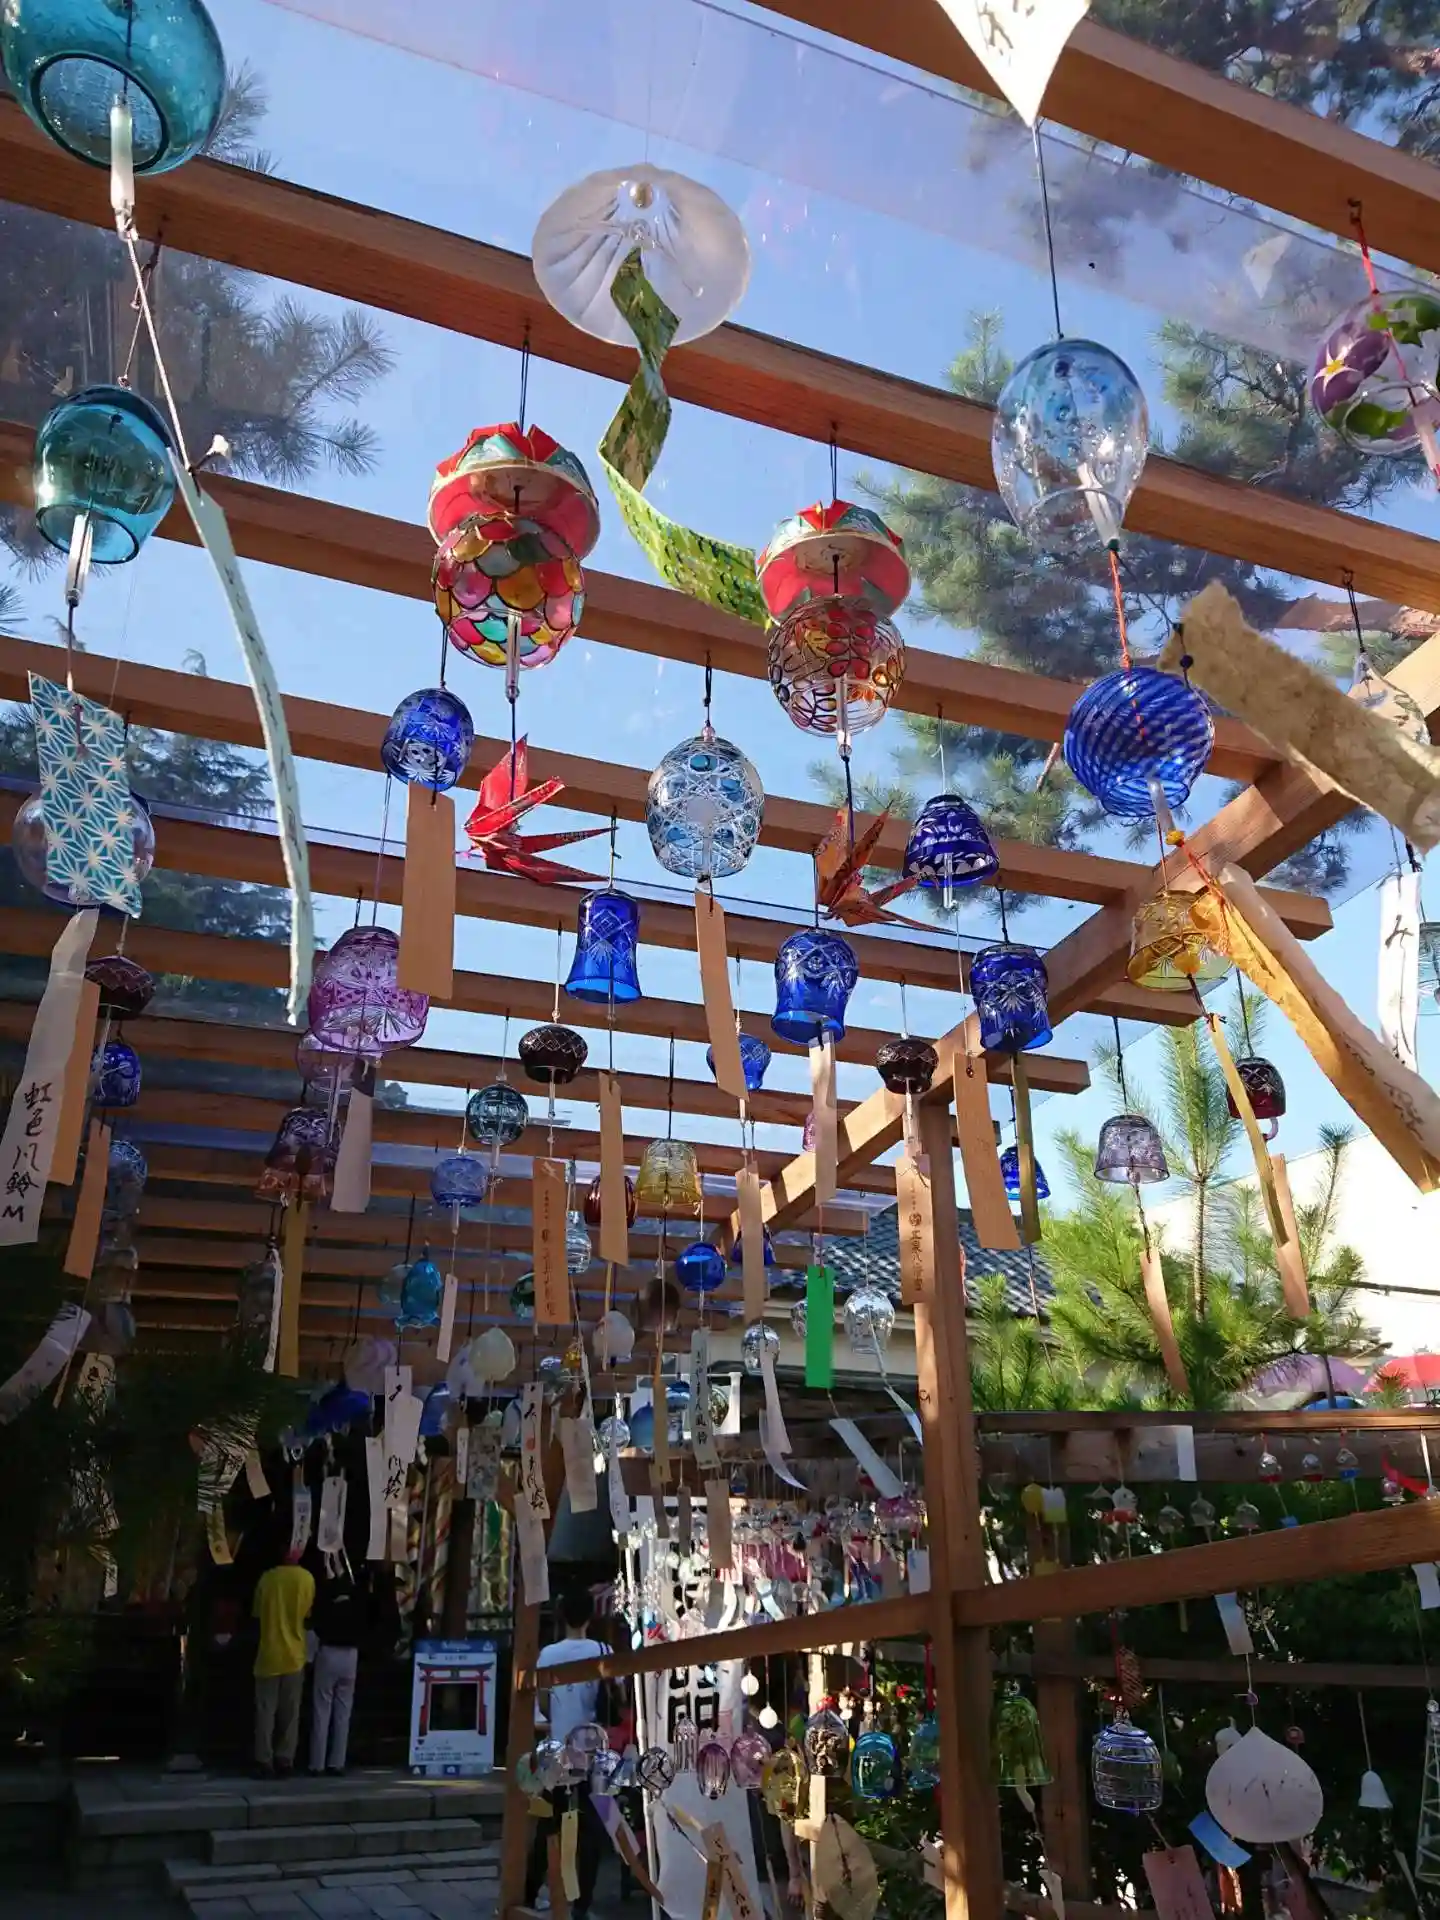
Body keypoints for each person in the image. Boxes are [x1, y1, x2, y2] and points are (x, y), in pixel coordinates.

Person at [525, 1588, 609, 1919]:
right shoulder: (602, 1650)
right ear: (590, 1616)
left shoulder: (548, 1654)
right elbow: (611, 1699)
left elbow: (544, 1705)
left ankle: (530, 1892)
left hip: (557, 1749)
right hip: (590, 1748)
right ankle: (582, 1903)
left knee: (548, 1822)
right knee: (590, 1829)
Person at [252, 1543, 314, 1778]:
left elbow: (257, 1614)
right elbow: (307, 1614)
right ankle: (285, 1758)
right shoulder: (307, 1579)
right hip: (295, 1655)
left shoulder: (267, 1579)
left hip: (268, 1652)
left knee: (265, 1710)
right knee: (291, 1712)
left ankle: (264, 1759)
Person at [308, 1568, 366, 1776]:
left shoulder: (327, 1608)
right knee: (343, 1711)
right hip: (350, 1656)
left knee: (321, 1708)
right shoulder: (357, 1609)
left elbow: (315, 1631)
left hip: (329, 1653)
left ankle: (317, 1763)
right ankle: (337, 1762)